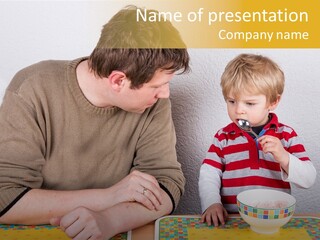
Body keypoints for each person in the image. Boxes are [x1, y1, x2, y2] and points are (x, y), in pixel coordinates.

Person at [0, 5, 190, 239]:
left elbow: (167, 185)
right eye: (157, 86)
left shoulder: (153, 103)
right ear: (118, 80)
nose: (166, 94)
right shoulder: (32, 88)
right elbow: (5, 198)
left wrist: (110, 220)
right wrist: (109, 197)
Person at [198, 53, 316, 227]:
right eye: (231, 101)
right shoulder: (223, 137)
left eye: (250, 103)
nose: (238, 110)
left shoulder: (286, 135)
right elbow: (208, 174)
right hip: (231, 221)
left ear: (273, 102)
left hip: (274, 221)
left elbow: (308, 179)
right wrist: (211, 203)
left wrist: (283, 156)